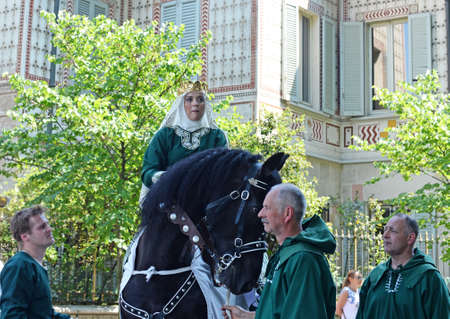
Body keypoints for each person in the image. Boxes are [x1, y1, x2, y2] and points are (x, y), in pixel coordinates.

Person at [222, 183, 336, 319]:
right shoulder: (287, 254)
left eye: (267, 208)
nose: (260, 214)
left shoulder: (303, 259)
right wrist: (245, 316)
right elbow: (281, 312)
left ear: (287, 213)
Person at [139, 80, 228, 206]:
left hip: (205, 205)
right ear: (182, 103)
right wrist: (163, 177)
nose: (195, 104)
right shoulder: (165, 136)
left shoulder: (217, 137)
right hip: (169, 205)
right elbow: (148, 171)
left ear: (205, 104)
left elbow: (223, 172)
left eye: (200, 99)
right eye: (189, 99)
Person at [356, 213, 450, 319]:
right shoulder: (375, 276)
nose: (385, 235)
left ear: (410, 238)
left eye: (392, 231)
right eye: (385, 229)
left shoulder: (429, 278)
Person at [0, 206, 70, 318]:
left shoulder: (34, 265)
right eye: (42, 227)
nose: (49, 229)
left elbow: (42, 313)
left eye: (47, 224)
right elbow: (12, 316)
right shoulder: (19, 266)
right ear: (24, 236)